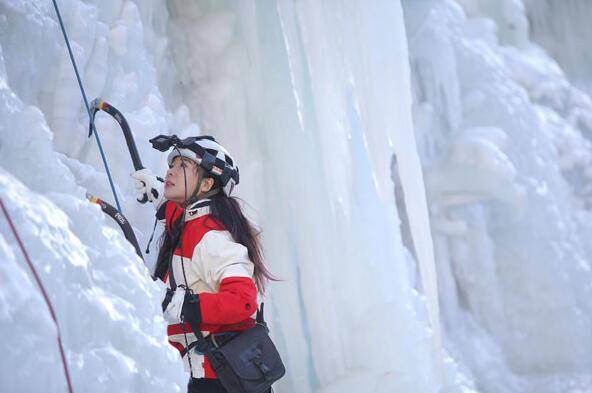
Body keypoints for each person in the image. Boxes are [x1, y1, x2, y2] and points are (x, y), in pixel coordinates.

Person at [132, 135, 275, 393]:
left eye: (183, 166)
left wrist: (181, 304)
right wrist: (161, 198)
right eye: (171, 165)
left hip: (218, 380)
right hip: (201, 375)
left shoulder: (213, 236)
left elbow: (243, 300)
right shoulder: (192, 223)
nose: (170, 171)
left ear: (207, 182)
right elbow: (181, 219)